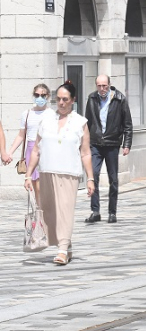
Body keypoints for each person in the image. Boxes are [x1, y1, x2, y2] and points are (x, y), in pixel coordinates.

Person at [24, 81, 95, 265]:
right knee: (50, 212)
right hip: (46, 171)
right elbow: (36, 151)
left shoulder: (81, 122)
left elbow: (86, 153)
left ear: (73, 100)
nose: (61, 103)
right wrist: (28, 174)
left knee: (65, 211)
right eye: (58, 99)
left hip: (69, 173)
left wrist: (90, 179)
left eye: (65, 99)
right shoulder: (46, 120)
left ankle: (62, 249)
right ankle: (67, 245)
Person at [84, 75, 133, 224]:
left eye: (104, 86)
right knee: (94, 175)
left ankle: (112, 212)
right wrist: (85, 143)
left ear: (109, 85)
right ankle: (95, 211)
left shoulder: (120, 99)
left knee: (113, 179)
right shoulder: (92, 98)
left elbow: (128, 124)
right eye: (99, 86)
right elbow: (87, 123)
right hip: (96, 143)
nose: (102, 89)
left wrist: (126, 144)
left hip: (112, 143)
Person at [7, 84, 55, 205]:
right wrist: (10, 152)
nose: (40, 98)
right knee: (34, 184)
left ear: (47, 96)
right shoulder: (27, 114)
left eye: (43, 95)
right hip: (31, 148)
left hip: (46, 150)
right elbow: (21, 135)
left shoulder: (52, 114)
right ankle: (39, 213)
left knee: (42, 186)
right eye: (37, 95)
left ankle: (42, 212)